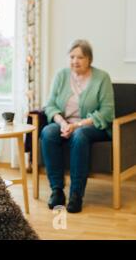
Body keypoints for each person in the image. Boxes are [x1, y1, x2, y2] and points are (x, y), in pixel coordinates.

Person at [41, 39, 115, 213]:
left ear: (89, 59)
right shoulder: (61, 76)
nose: (75, 61)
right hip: (64, 123)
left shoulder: (102, 78)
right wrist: (62, 123)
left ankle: (76, 194)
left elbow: (107, 112)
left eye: (80, 57)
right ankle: (57, 190)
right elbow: (50, 105)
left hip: (91, 126)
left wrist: (78, 125)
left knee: (80, 135)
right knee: (47, 132)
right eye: (72, 56)